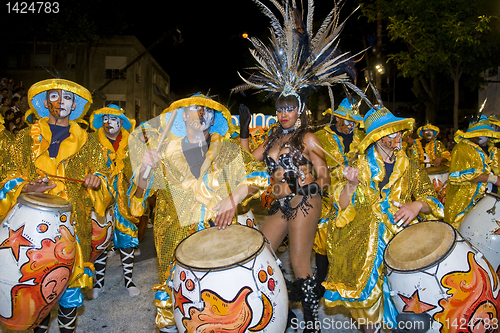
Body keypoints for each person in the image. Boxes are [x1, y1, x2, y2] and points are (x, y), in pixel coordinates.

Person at [129, 94, 269, 333]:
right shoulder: (163, 152)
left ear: (213, 119)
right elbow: (138, 198)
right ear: (183, 116)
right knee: (173, 309)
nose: (202, 114)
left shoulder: (227, 151)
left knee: (217, 309)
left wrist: (233, 198)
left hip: (218, 243)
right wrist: (144, 168)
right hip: (173, 246)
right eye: (195, 109)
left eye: (208, 111)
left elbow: (260, 176)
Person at [0, 78, 112, 333]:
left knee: (69, 286)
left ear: (75, 106)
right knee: (35, 284)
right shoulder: (25, 139)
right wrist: (26, 187)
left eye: (68, 98)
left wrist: (97, 181)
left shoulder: (89, 142)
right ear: (44, 102)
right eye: (54, 96)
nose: (61, 102)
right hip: (29, 227)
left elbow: (105, 177)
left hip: (72, 224)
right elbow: (7, 174)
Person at [323, 105, 444, 333]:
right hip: (364, 247)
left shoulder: (410, 166)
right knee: (369, 307)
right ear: (377, 137)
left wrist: (416, 205)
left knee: (406, 300)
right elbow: (340, 207)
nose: (398, 137)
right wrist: (350, 185)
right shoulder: (357, 165)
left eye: (398, 131)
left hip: (402, 245)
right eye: (391, 132)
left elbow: (432, 200)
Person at [88, 105, 140, 299]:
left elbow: (136, 173)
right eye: (105, 118)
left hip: (124, 199)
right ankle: (98, 283)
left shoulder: (130, 144)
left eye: (113, 119)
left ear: (121, 123)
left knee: (127, 239)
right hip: (101, 199)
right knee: (101, 240)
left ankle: (129, 281)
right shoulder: (92, 142)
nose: (108, 122)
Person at [313, 97, 364, 284]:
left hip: (354, 194)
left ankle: (348, 277)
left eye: (354, 121)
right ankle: (320, 279)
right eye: (347, 120)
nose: (351, 125)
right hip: (327, 195)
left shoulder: (361, 138)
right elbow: (311, 166)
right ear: (337, 118)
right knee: (323, 235)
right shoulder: (320, 137)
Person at [444, 115, 500, 229]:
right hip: (467, 202)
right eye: (478, 132)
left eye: (484, 132)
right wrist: (493, 179)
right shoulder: (461, 149)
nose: (481, 136)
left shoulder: (494, 150)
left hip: (492, 200)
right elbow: (457, 176)